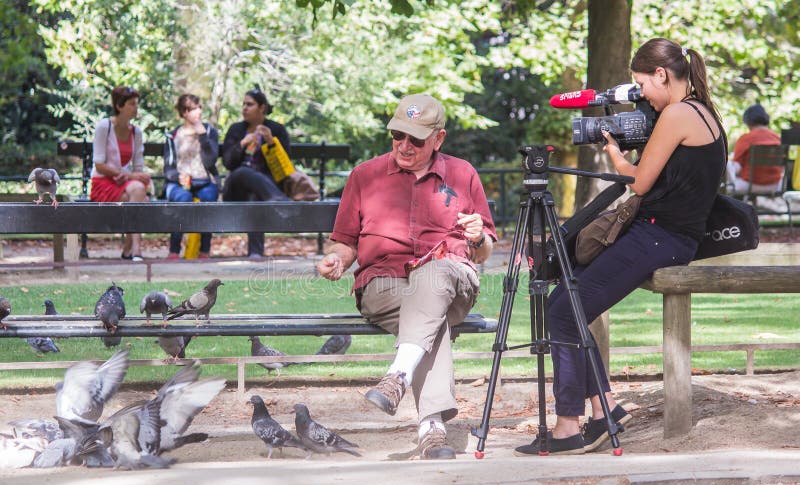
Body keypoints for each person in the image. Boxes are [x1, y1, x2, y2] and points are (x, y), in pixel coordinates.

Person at [514, 38, 727, 456]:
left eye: (642, 83)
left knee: (562, 309)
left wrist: (614, 153)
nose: (641, 93)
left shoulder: (678, 114)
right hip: (667, 235)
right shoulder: (704, 111)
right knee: (570, 305)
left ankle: (570, 426)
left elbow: (640, 181)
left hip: (659, 236)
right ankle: (604, 409)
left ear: (662, 75)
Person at [316, 94, 497, 460]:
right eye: (398, 135)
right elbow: (345, 243)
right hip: (384, 283)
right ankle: (431, 427)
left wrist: (478, 236)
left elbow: (483, 251)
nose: (405, 145)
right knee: (431, 318)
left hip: (452, 279)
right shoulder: (365, 176)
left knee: (435, 273)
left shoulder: (463, 175)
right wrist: (334, 260)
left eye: (416, 139)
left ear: (439, 139)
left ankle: (398, 374)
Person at [221, 88, 290, 258]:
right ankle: (280, 202)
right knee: (244, 172)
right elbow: (228, 163)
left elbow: (283, 169)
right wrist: (243, 143)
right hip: (235, 189)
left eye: (249, 104)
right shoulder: (236, 129)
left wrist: (270, 142)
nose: (244, 108)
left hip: (262, 190)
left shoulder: (276, 130)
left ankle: (255, 253)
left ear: (262, 108)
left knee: (255, 196)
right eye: (243, 104)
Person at [90, 86, 153, 261]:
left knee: (139, 190)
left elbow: (138, 166)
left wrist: (132, 175)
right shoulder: (105, 126)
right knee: (142, 199)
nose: (136, 108)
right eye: (132, 104)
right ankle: (134, 250)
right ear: (119, 106)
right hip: (103, 183)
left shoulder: (136, 132)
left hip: (124, 183)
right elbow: (99, 164)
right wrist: (128, 175)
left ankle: (132, 250)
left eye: (136, 104)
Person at [163, 94, 220, 259]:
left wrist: (203, 136)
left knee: (208, 198)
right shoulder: (172, 136)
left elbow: (211, 161)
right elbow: (168, 168)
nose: (199, 112)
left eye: (199, 107)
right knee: (182, 199)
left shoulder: (209, 132)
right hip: (180, 182)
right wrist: (177, 177)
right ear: (184, 112)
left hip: (204, 180)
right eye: (194, 109)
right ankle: (174, 251)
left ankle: (204, 250)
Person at [725, 103, 783, 193]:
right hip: (776, 185)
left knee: (727, 165)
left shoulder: (746, 138)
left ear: (748, 121)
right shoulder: (777, 138)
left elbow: (736, 168)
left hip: (750, 185)